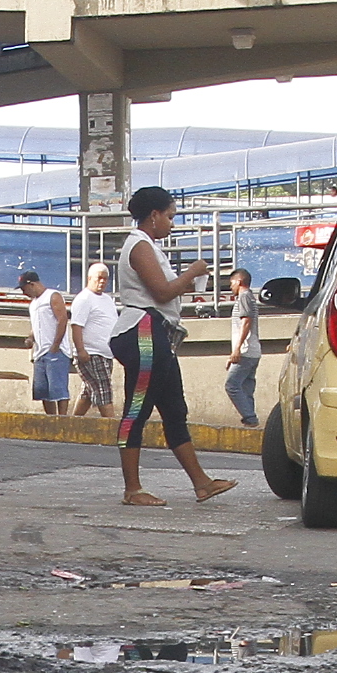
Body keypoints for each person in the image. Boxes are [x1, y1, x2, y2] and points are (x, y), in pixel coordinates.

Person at [106, 186, 234, 508]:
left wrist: (186, 281)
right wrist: (193, 272)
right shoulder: (139, 245)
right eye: (170, 216)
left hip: (157, 335)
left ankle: (202, 483)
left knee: (175, 410)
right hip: (144, 333)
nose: (172, 224)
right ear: (154, 215)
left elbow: (163, 291)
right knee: (136, 410)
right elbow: (162, 292)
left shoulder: (149, 246)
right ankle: (132, 489)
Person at [68, 261, 117, 417]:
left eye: (105, 278)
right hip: (91, 353)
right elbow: (76, 326)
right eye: (99, 278)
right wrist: (81, 350)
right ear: (90, 278)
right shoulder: (84, 299)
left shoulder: (108, 300)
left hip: (106, 354)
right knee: (103, 391)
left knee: (89, 391)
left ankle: (72, 423)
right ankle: (112, 426)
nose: (102, 282)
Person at [18, 270, 71, 411]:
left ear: (32, 284)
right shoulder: (33, 304)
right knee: (43, 391)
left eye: (24, 289)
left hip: (55, 350)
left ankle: (62, 418)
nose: (24, 293)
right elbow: (36, 326)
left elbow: (62, 319)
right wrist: (30, 338)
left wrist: (56, 345)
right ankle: (50, 419)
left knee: (58, 389)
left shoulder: (53, 296)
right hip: (40, 352)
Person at [219, 264, 263, 428]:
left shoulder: (244, 297)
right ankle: (251, 420)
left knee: (232, 385)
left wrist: (236, 350)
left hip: (245, 351)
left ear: (239, 281)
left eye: (232, 283)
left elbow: (246, 322)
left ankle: (249, 416)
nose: (231, 287)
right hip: (253, 351)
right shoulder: (250, 298)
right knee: (246, 386)